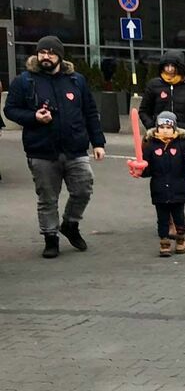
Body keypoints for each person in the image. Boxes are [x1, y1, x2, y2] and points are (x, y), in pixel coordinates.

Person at [3, 35, 107, 259]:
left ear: (59, 56)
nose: (46, 57)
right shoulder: (25, 81)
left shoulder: (76, 80)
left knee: (83, 189)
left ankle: (70, 224)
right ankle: (50, 238)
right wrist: (34, 117)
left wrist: (98, 142)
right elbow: (10, 110)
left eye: (50, 53)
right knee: (47, 198)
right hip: (42, 150)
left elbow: (90, 112)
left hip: (75, 148)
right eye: (42, 52)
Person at [128, 111, 185, 257]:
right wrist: (140, 170)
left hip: (178, 189)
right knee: (162, 218)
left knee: (179, 216)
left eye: (168, 127)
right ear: (157, 128)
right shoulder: (151, 146)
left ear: (174, 128)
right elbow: (147, 169)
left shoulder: (182, 145)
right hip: (159, 189)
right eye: (162, 127)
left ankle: (180, 239)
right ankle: (164, 242)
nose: (165, 130)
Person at [139, 50, 185, 149]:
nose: (169, 69)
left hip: (184, 140)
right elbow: (143, 111)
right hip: (158, 140)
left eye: (173, 66)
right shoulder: (153, 85)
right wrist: (153, 128)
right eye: (166, 66)